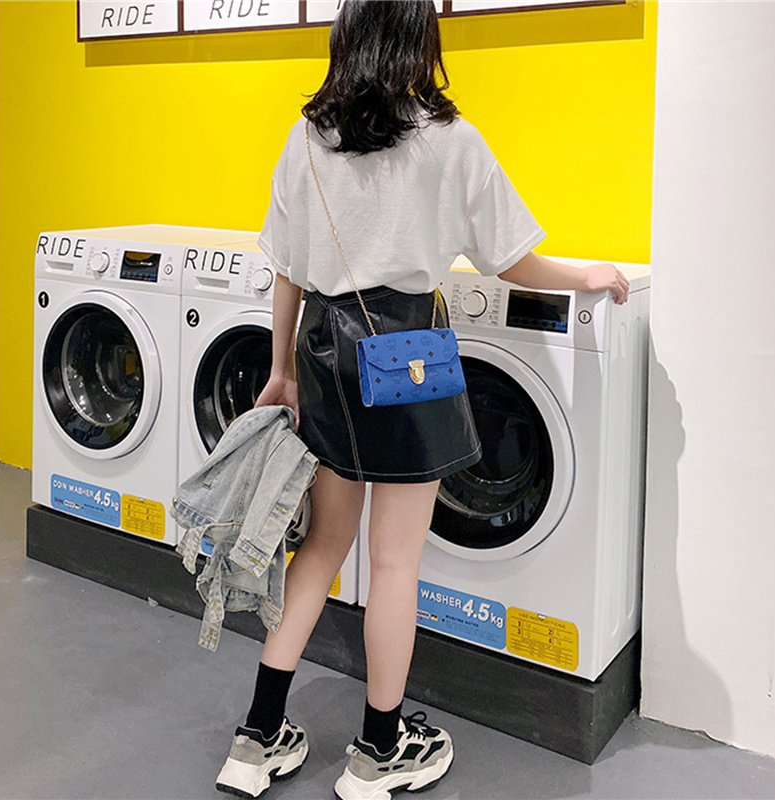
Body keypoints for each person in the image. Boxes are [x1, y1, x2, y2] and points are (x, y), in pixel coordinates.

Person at [214, 2, 630, 799]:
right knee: (396, 561)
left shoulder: (307, 137)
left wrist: (281, 370)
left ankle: (257, 738)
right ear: (418, 39)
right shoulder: (449, 139)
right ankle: (378, 753)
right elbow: (512, 260)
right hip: (409, 351)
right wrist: (590, 275)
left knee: (322, 547)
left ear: (345, 37)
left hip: (325, 349)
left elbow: (287, 270)